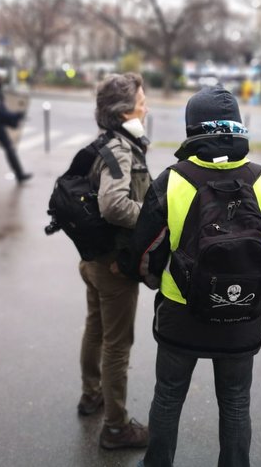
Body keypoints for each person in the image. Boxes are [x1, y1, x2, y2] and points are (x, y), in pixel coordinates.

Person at [124, 86, 261, 467]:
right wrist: (249, 282)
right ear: (237, 127)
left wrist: (159, 282)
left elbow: (144, 254)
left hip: (180, 313)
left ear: (192, 130)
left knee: (168, 396)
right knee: (236, 401)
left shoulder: (173, 182)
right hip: (242, 314)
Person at [77, 73, 152, 450]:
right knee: (118, 344)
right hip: (113, 267)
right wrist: (153, 217)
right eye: (142, 99)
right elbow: (113, 204)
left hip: (92, 261)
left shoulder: (107, 141)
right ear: (126, 110)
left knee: (96, 329)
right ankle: (117, 427)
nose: (147, 104)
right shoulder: (122, 148)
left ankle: (92, 394)